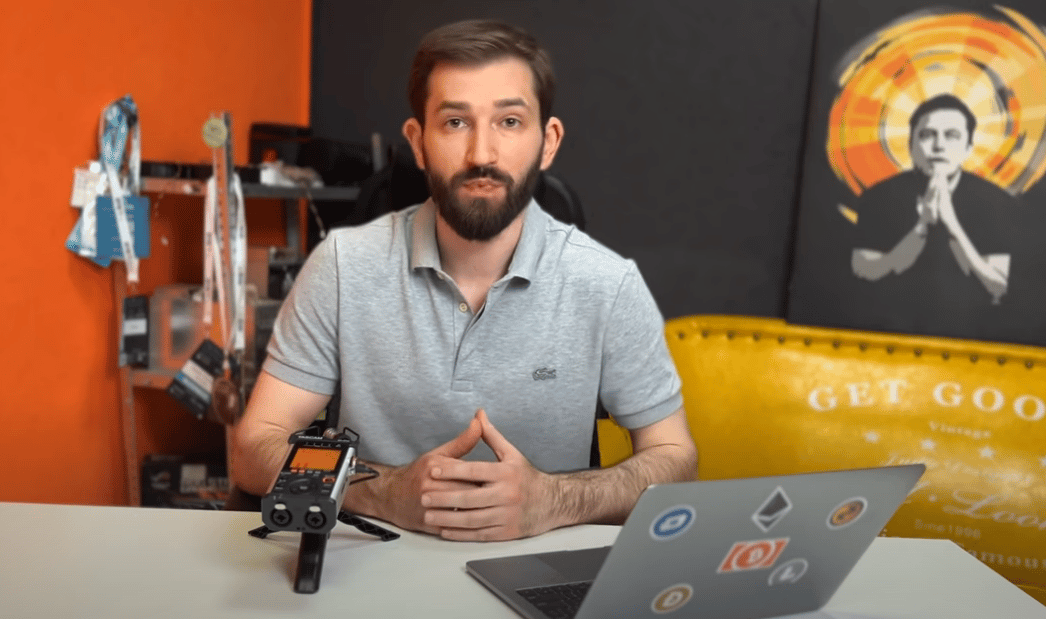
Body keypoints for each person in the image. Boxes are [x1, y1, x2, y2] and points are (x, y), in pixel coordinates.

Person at [230, 19, 697, 542]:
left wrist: (554, 499)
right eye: (455, 122)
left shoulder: (608, 285)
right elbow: (252, 450)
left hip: (539, 564)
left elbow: (675, 460)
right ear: (418, 143)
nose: (481, 155)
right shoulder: (342, 267)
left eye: (509, 121)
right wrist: (384, 493)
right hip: (372, 559)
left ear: (547, 142)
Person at [848, 93, 1022, 335]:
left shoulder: (996, 202)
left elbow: (998, 286)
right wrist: (921, 228)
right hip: (887, 325)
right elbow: (862, 273)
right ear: (911, 146)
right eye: (928, 135)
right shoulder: (877, 197)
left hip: (971, 328)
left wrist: (952, 225)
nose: (939, 145)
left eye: (952, 136)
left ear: (968, 148)